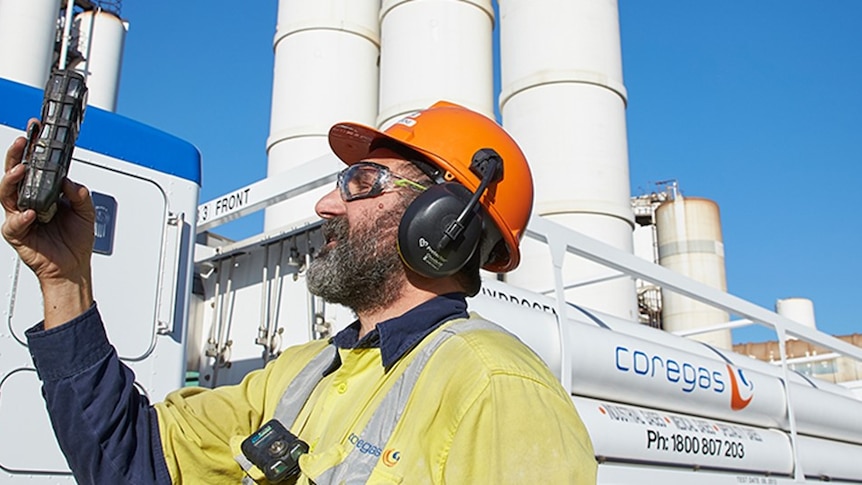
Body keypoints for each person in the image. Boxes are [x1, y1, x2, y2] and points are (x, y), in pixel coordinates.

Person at [2, 101, 597, 484]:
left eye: (361, 183)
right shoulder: (299, 374)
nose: (326, 204)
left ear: (445, 223)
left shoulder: (496, 389)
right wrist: (66, 281)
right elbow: (131, 461)